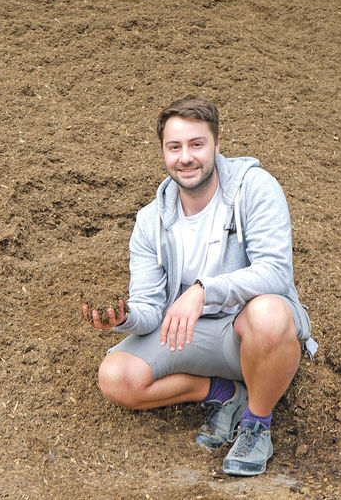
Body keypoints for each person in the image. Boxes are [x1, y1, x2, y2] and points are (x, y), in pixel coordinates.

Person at [82, 96, 318, 476]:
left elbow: (275, 272)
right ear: (163, 152)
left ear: (217, 145)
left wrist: (202, 290)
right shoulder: (150, 221)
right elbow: (151, 308)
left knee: (270, 314)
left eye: (196, 144)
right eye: (174, 147)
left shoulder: (254, 187)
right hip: (193, 336)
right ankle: (224, 394)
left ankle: (256, 424)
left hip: (251, 333)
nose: (186, 157)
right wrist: (122, 318)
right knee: (116, 377)